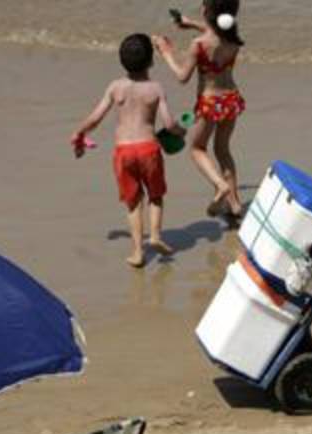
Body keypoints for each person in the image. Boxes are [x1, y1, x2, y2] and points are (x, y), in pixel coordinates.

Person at [71, 33, 185, 268]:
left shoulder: (116, 87)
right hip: (149, 149)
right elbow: (169, 122)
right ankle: (154, 235)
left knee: (133, 202)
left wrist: (79, 133)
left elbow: (96, 117)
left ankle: (137, 252)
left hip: (124, 152)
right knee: (156, 195)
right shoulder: (155, 89)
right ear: (152, 61)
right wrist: (179, 131)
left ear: (122, 61)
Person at [153, 0, 246, 221]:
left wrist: (166, 52)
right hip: (231, 99)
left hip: (210, 102)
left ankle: (220, 186)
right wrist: (191, 24)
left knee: (197, 148)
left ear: (206, 10)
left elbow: (182, 77)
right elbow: (214, 29)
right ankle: (235, 206)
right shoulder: (233, 37)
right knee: (223, 151)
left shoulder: (199, 45)